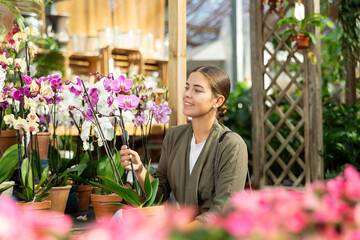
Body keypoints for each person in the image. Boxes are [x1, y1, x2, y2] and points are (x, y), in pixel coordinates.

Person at [120, 65, 248, 224]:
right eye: (187, 87)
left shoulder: (231, 145)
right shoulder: (174, 136)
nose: (187, 94)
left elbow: (223, 211)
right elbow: (160, 193)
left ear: (217, 100)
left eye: (197, 90)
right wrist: (139, 169)